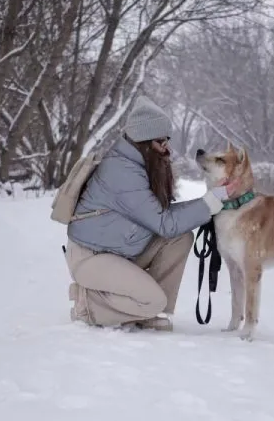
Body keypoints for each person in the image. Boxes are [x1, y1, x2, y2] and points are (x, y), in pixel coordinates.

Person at [65, 96, 229, 331]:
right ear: (143, 141)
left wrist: (210, 204)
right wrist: (212, 202)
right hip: (92, 258)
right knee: (153, 297)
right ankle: (88, 304)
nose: (167, 148)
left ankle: (149, 313)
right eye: (161, 141)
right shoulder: (121, 172)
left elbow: (163, 217)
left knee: (180, 239)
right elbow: (165, 224)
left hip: (119, 250)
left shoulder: (137, 165)